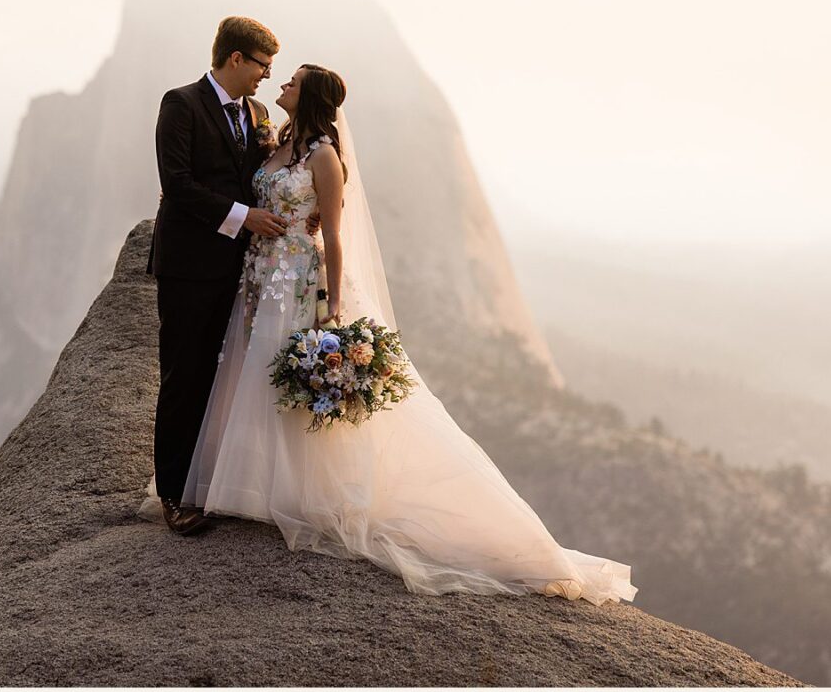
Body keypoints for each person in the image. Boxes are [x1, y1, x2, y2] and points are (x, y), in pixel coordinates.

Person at [142, 63, 638, 605]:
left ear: (311, 97)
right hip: (258, 279)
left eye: (293, 82)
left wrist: (333, 304)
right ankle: (247, 487)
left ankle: (295, 495)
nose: (280, 83)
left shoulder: (324, 157)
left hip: (298, 282)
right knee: (249, 377)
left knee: (280, 379)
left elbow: (334, 234)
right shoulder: (276, 140)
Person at [147, 15, 285, 535]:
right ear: (235, 58)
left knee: (224, 378)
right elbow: (177, 182)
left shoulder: (258, 113)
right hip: (188, 267)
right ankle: (173, 494)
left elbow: (260, 177)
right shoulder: (181, 104)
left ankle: (211, 483)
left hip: (239, 269)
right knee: (184, 375)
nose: (267, 76)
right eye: (262, 66)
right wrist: (244, 217)